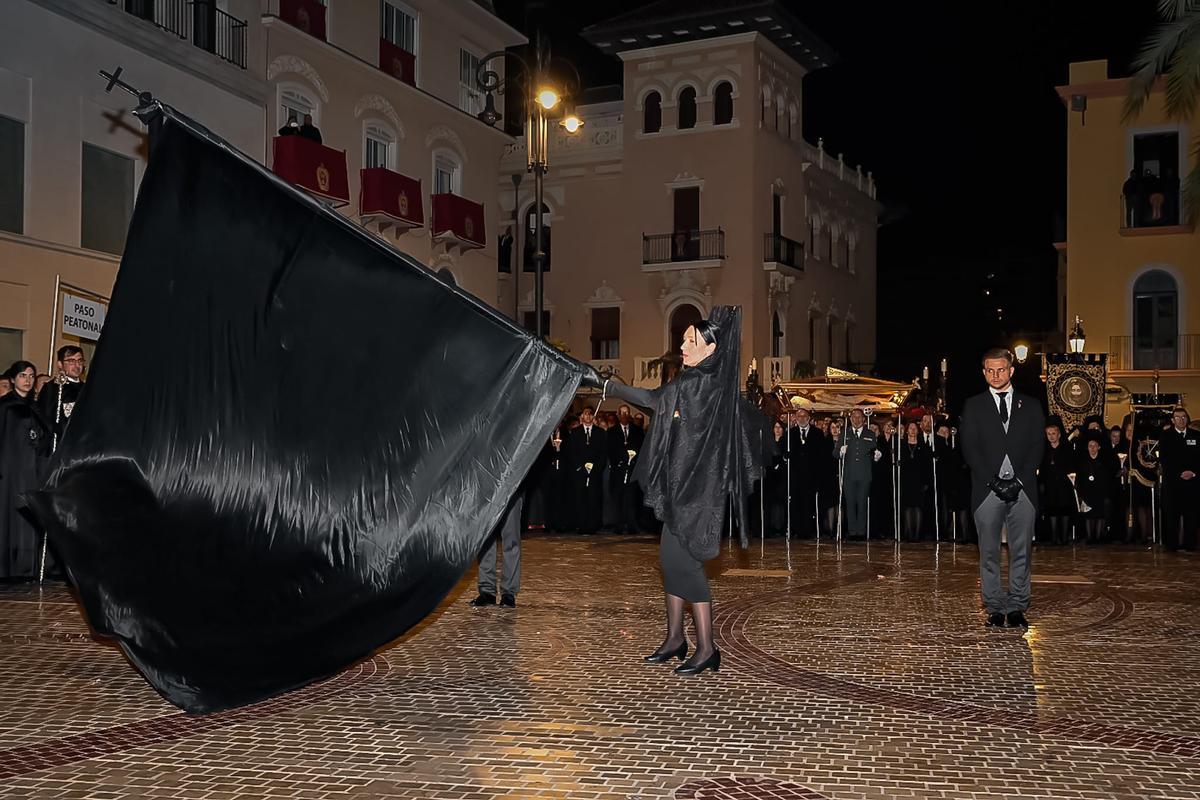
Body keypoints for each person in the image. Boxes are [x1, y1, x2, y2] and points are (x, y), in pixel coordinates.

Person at [597, 306, 760, 676]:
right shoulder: (705, 383)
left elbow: (655, 400)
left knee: (686, 565)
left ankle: (706, 648)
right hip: (683, 489)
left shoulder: (697, 385)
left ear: (710, 350)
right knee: (671, 563)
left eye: (691, 341)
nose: (682, 346)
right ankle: (675, 638)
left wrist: (610, 386)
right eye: (684, 339)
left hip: (696, 495)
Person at [959, 347, 1045, 629]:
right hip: (987, 490)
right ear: (984, 372)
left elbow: (1037, 446)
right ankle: (994, 606)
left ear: (1011, 371)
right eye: (990, 370)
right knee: (989, 551)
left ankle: (1018, 605)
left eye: (1001, 369)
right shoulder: (973, 405)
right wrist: (993, 481)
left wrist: (1019, 481)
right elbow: (970, 448)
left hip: (1024, 490)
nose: (996, 375)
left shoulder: (1031, 405)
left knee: (1021, 550)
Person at [0, 361, 52, 580]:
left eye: (31, 375)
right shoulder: (5, 407)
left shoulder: (36, 406)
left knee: (31, 516)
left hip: (33, 469)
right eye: (23, 375)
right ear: (13, 379)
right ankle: (9, 568)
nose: (28, 380)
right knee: (11, 517)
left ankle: (30, 567)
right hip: (11, 470)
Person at [468, 488, 524, 608]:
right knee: (486, 537)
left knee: (511, 539)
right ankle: (487, 591)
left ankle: (509, 593)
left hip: (513, 482)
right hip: (487, 485)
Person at [1158, 406, 1199, 551]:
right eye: (1178, 417)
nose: (1181, 420)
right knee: (1171, 515)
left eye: (1184, 417)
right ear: (1173, 420)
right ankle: (1172, 545)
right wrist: (1179, 473)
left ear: (1187, 419)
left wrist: (1193, 472)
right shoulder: (1165, 436)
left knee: (1191, 515)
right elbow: (1164, 459)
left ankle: (1190, 545)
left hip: (1192, 483)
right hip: (1173, 483)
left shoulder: (1196, 435)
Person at [834, 408, 879, 538]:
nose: (856, 420)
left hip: (864, 475)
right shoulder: (844, 433)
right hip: (849, 475)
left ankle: (861, 531)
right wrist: (841, 452)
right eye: (854, 417)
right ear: (850, 419)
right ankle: (852, 531)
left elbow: (873, 452)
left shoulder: (870, 434)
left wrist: (876, 456)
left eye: (859, 417)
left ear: (864, 419)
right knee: (850, 503)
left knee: (862, 503)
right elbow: (835, 453)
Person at [786, 407, 826, 538]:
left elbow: (821, 456)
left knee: (810, 504)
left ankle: (809, 530)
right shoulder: (790, 434)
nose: (802, 419)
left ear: (809, 418)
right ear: (796, 419)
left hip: (811, 475)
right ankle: (797, 530)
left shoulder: (817, 433)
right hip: (795, 476)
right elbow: (784, 452)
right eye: (799, 416)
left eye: (804, 416)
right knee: (796, 503)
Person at [566, 406, 606, 534]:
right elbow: (572, 452)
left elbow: (603, 453)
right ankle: (582, 525)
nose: (588, 416)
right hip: (580, 472)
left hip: (595, 471)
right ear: (582, 416)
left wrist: (596, 467)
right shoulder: (575, 432)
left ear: (593, 417)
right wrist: (580, 467)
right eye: (585, 414)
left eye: (590, 414)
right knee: (581, 498)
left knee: (594, 498)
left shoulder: (600, 433)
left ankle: (593, 525)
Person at [607, 404, 645, 533]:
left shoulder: (637, 431)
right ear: (618, 415)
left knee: (631, 499)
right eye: (622, 413)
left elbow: (641, 448)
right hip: (618, 470)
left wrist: (632, 460)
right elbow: (610, 450)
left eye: (627, 413)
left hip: (632, 470)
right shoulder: (611, 432)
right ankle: (618, 525)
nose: (624, 415)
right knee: (617, 498)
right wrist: (621, 461)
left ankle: (632, 525)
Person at [37, 346, 86, 446]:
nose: (77, 365)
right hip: (61, 443)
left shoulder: (87, 388)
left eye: (80, 361)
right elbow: (45, 418)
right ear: (60, 364)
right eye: (71, 361)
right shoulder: (52, 388)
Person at [1038, 422, 1076, 545]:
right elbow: (1042, 468)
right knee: (1052, 511)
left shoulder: (1067, 449)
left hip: (1064, 484)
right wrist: (1042, 483)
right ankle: (1054, 538)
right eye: (1048, 434)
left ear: (1059, 435)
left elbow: (1071, 466)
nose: (1051, 436)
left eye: (1053, 434)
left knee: (1064, 511)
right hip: (1050, 485)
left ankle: (1064, 538)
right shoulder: (1044, 450)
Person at [1074, 433, 1114, 544]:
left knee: (1100, 515)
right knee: (1088, 516)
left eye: (1094, 445)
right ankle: (1089, 537)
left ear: (1099, 447)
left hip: (1100, 493)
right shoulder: (1083, 463)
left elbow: (1107, 480)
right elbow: (1080, 480)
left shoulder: (1104, 463)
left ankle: (1098, 537)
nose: (1092, 448)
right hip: (1087, 493)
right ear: (1087, 447)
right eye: (1090, 446)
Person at [898, 422, 931, 541]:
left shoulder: (924, 446)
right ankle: (908, 533)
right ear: (907, 431)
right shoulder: (901, 445)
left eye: (914, 428)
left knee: (918, 506)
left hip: (919, 480)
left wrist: (926, 481)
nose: (912, 430)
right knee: (907, 506)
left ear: (918, 431)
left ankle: (917, 534)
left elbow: (927, 466)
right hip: (906, 480)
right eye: (910, 428)